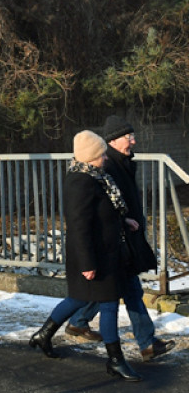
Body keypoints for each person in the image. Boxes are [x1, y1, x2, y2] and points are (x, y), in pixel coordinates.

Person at [28, 131, 141, 381]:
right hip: (93, 255)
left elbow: (102, 214)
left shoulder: (97, 177)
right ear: (90, 157)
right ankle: (116, 361)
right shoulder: (80, 182)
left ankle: (44, 335)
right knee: (109, 304)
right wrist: (88, 263)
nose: (105, 158)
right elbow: (79, 226)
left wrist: (124, 221)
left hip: (104, 252)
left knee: (78, 298)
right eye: (101, 155)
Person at [64, 116, 175, 362]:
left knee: (115, 288)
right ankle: (146, 343)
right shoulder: (106, 166)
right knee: (129, 288)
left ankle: (78, 321)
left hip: (123, 235)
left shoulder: (121, 162)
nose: (133, 141)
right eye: (128, 137)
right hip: (116, 240)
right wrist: (124, 223)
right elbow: (97, 213)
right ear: (113, 141)